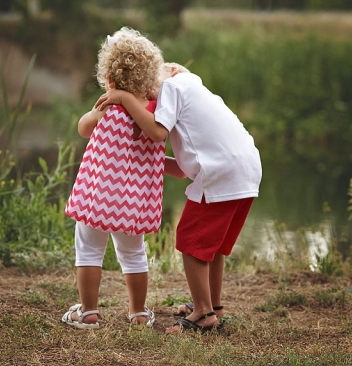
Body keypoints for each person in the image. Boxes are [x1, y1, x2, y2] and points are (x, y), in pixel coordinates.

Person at [93, 60, 262, 333]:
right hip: (246, 168)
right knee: (212, 246)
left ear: (170, 71)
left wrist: (123, 97)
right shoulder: (192, 85)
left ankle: (203, 315)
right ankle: (213, 305)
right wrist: (143, 160)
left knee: (190, 241)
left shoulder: (171, 86)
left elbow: (157, 132)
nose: (147, 95)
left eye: (148, 86)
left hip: (218, 172)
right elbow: (183, 170)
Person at [63, 28, 185, 329]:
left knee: (89, 251)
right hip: (132, 202)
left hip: (98, 198)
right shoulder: (154, 113)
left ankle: (89, 311)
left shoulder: (108, 108)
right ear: (149, 80)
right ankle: (138, 312)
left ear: (110, 80)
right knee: (133, 254)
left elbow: (82, 128)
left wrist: (99, 107)